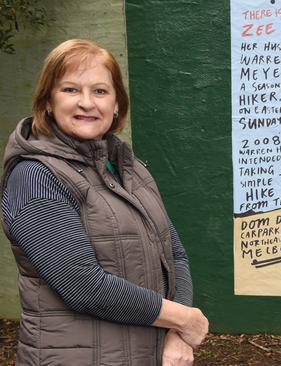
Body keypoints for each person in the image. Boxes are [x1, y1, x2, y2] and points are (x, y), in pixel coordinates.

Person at [1, 39, 208, 365]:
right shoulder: (35, 177)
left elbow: (174, 254)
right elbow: (82, 283)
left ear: (116, 105)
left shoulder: (130, 169)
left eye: (100, 91)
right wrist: (184, 319)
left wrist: (178, 334)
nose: (87, 103)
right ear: (48, 103)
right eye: (70, 89)